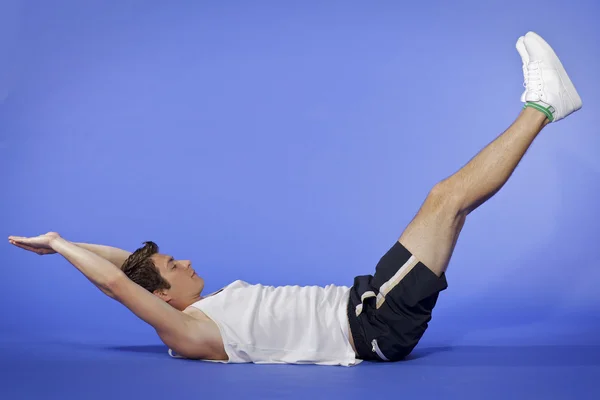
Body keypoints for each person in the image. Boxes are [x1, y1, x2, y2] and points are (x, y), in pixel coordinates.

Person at [8, 31, 582, 367]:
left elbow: (124, 269)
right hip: (373, 324)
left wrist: (64, 249)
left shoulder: (191, 308)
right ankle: (544, 106)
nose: (182, 261)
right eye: (171, 268)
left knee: (455, 203)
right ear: (162, 296)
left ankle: (543, 107)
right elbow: (119, 285)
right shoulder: (188, 333)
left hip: (367, 301)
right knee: (446, 198)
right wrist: (59, 241)